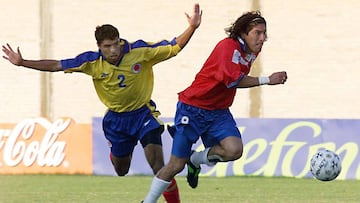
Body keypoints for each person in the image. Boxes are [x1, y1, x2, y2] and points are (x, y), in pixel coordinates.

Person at [2, 4, 202, 203]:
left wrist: (192, 27)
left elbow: (174, 47)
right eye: (107, 46)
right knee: (121, 170)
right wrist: (23, 62)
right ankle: (116, 153)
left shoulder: (140, 51)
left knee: (158, 165)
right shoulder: (91, 62)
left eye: (116, 44)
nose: (113, 50)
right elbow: (56, 65)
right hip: (116, 121)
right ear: (99, 46)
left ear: (120, 40)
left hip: (143, 114)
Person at [142, 11, 287, 203]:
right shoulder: (227, 47)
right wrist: (267, 80)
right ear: (244, 33)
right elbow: (232, 80)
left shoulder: (252, 51)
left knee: (234, 150)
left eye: (264, 33)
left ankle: (195, 160)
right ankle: (148, 201)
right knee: (176, 165)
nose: (262, 38)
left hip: (218, 112)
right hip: (192, 108)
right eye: (258, 33)